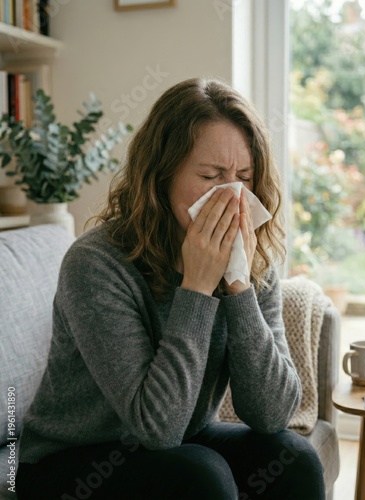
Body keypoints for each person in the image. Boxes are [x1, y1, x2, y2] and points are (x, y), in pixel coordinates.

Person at [16, 77, 325, 499]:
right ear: (161, 176)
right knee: (200, 474)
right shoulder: (96, 263)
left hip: (178, 440)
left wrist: (238, 286)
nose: (231, 194)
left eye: (244, 177)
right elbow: (157, 427)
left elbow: (272, 414)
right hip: (66, 460)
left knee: (294, 457)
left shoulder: (251, 258)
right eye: (210, 175)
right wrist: (197, 287)